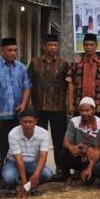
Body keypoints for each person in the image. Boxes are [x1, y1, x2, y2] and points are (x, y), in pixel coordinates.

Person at [27, 34, 69, 176]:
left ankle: (61, 168)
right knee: (38, 139)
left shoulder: (64, 64)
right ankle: (38, 169)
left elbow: (68, 86)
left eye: (55, 45)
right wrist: (28, 105)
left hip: (58, 108)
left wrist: (69, 104)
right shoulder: (34, 63)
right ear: (44, 46)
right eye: (50, 45)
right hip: (39, 107)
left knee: (59, 140)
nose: (52, 48)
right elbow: (28, 84)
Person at [0, 37, 32, 165]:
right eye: (10, 50)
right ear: (2, 51)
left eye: (15, 50)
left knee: (16, 147)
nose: (13, 53)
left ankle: (14, 174)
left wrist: (23, 104)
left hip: (17, 116)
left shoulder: (21, 67)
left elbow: (27, 87)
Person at [1, 107, 53, 197]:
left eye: (30, 122)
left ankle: (32, 185)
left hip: (33, 163)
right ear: (20, 121)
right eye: (25, 122)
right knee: (9, 178)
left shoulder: (43, 133)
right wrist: (24, 182)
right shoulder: (13, 133)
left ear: (36, 121)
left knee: (47, 174)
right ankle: (13, 187)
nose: (27, 125)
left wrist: (36, 175)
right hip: (14, 162)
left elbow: (43, 156)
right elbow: (19, 159)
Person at [60, 97, 100, 191]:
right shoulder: (74, 121)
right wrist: (71, 147)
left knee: (88, 183)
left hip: (93, 158)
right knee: (63, 153)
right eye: (82, 110)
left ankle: (89, 173)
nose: (84, 113)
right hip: (79, 155)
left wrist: (90, 165)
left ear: (94, 110)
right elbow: (65, 142)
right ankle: (68, 180)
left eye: (87, 110)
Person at [66, 33, 100, 119]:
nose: (89, 47)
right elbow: (70, 83)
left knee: (97, 131)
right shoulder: (76, 62)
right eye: (86, 45)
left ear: (96, 46)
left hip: (98, 106)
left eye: (91, 45)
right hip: (79, 105)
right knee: (79, 131)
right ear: (83, 46)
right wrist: (70, 104)